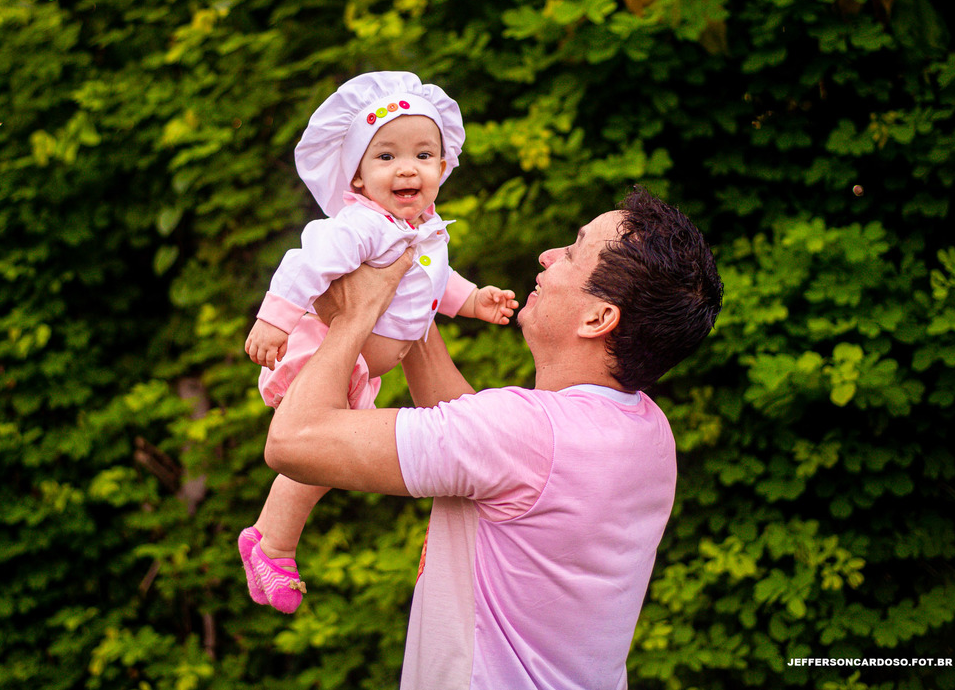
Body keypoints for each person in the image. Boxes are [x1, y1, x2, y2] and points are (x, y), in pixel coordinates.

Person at [263, 186, 723, 690]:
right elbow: (476, 438)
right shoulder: (649, 432)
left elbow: (293, 439)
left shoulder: (520, 434)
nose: (547, 256)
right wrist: (409, 285)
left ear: (598, 319)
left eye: (572, 251)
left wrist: (355, 316)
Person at [239, 71, 518, 614]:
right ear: (359, 178)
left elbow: (436, 280)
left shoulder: (428, 228)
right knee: (314, 456)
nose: (406, 167)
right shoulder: (361, 225)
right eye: (385, 157)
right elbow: (307, 264)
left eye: (422, 153)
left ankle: (272, 542)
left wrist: (474, 300)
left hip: (365, 366)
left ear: (443, 166)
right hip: (330, 355)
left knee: (326, 462)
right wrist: (275, 319)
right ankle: (272, 544)